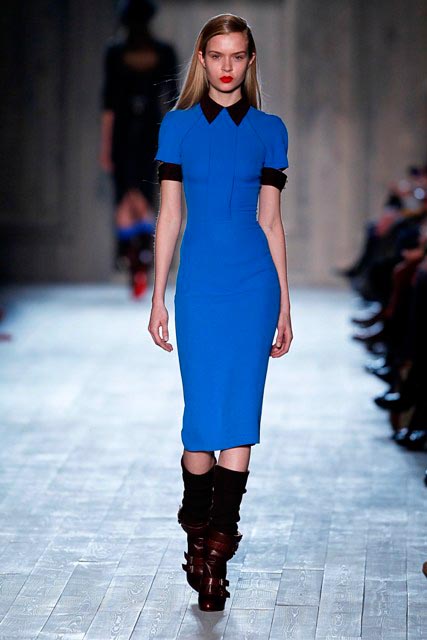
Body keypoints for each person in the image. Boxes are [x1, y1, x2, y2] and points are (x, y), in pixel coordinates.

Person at [148, 13, 293, 612]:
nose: (227, 66)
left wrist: (284, 305)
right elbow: (170, 216)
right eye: (216, 55)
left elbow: (272, 222)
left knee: (238, 419)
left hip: (253, 287)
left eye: (237, 55)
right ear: (202, 60)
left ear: (250, 61)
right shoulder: (178, 126)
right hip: (201, 287)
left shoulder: (270, 130)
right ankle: (195, 519)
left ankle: (216, 554)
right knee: (200, 425)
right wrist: (157, 294)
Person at [100, 0, 179, 297]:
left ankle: (133, 257)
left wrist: (105, 147)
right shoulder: (163, 52)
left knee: (127, 195)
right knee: (144, 194)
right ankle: (142, 257)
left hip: (125, 132)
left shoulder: (115, 52)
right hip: (151, 132)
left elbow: (109, 104)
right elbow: (172, 101)